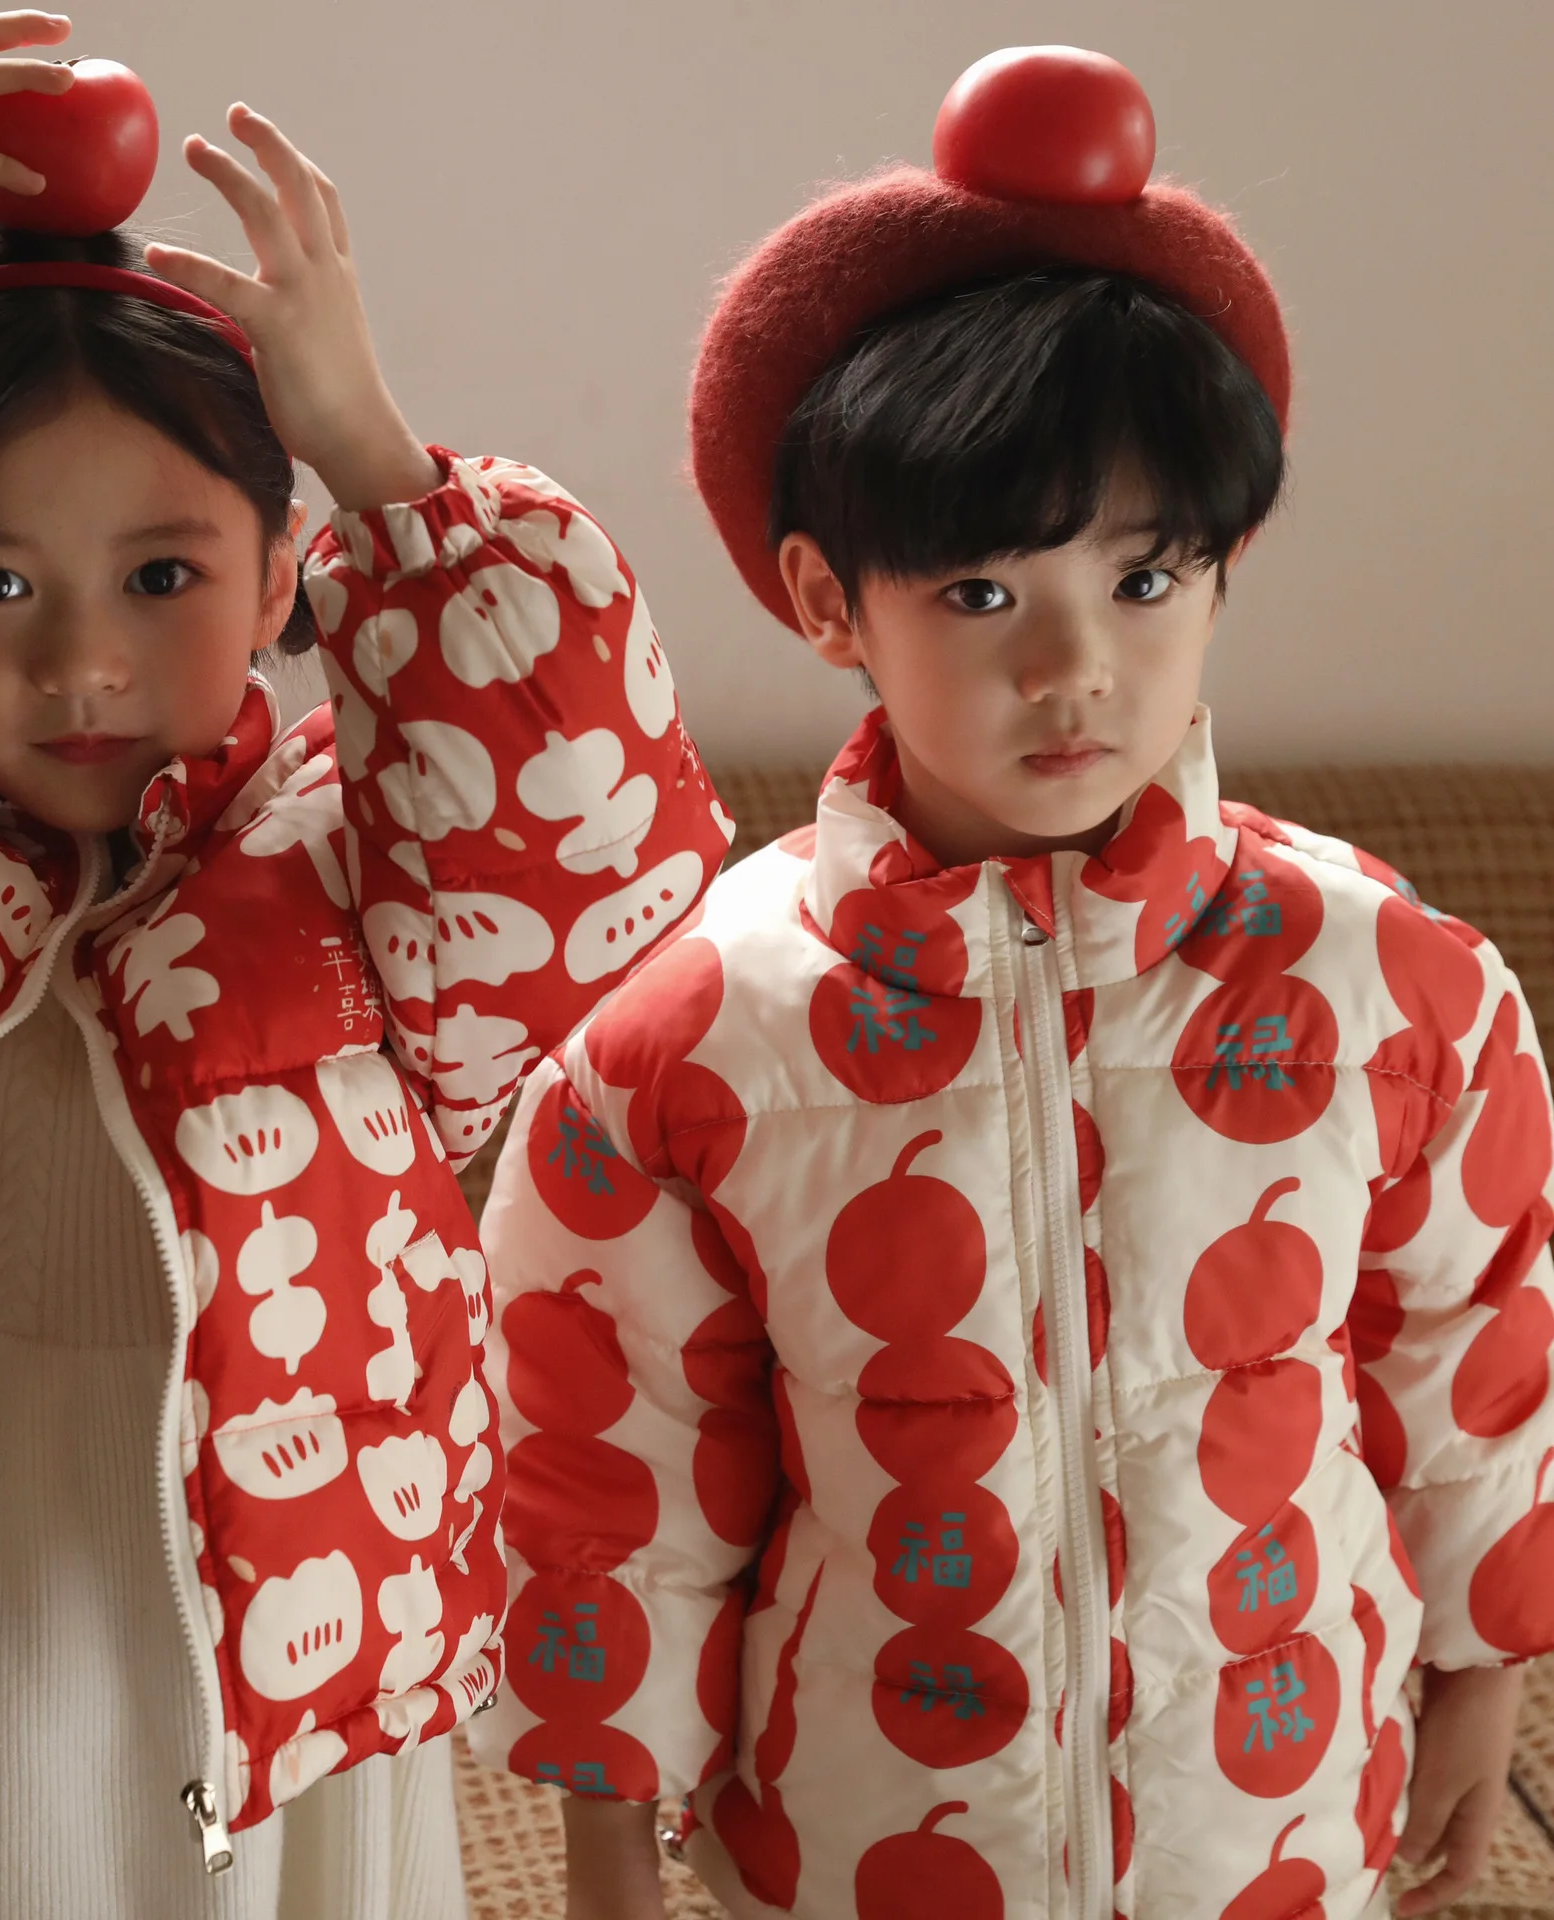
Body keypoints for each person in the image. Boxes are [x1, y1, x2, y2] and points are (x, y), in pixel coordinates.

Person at [0, 14, 729, 1917]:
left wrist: (375, 451)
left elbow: (595, 863)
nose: (84, 664)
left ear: (286, 570)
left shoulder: (364, 849)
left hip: (260, 1618)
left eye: (164, 576)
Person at [469, 44, 1554, 1920]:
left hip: (1277, 1834)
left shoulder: (1394, 987)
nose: (1074, 669)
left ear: (1221, 573)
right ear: (830, 600)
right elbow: (605, 1465)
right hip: (865, 1847)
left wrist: (1485, 1672)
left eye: (1145, 579)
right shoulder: (689, 1042)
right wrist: (606, 1862)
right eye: (982, 593)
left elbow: (1477, 1356)